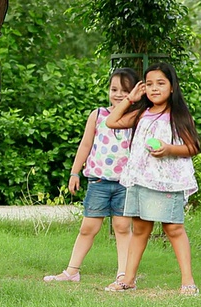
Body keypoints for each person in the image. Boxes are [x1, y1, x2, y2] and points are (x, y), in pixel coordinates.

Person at [104, 62, 201, 295]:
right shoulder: (141, 113)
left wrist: (168, 149)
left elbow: (193, 147)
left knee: (174, 228)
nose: (154, 88)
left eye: (160, 83)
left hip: (167, 181)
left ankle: (188, 281)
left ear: (172, 87)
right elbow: (111, 121)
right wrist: (130, 99)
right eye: (149, 84)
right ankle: (128, 279)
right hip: (141, 179)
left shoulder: (177, 115)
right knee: (139, 228)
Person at [43, 68, 139, 283]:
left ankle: (123, 274)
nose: (118, 94)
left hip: (125, 184)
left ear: (134, 92)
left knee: (122, 228)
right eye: (114, 89)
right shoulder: (98, 114)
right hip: (98, 181)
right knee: (88, 227)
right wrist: (74, 172)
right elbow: (86, 144)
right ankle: (72, 271)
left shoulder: (136, 118)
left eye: (124, 90)